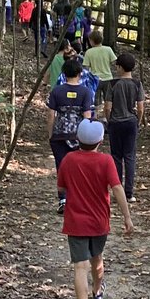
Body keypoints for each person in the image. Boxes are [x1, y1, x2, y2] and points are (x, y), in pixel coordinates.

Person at [59, 118, 134, 299]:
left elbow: (62, 187)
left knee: (79, 267)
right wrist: (127, 216)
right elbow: (118, 188)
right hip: (99, 221)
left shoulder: (68, 159)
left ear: (78, 139)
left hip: (75, 221)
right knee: (97, 258)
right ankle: (97, 292)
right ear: (101, 140)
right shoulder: (106, 161)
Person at [46, 57, 93, 213]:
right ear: (80, 73)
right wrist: (88, 137)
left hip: (59, 134)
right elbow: (87, 115)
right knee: (80, 167)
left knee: (62, 166)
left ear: (64, 73)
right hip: (79, 135)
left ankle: (63, 199)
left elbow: (51, 115)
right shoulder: (85, 92)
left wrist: (50, 133)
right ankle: (79, 198)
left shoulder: (56, 91)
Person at [103, 50, 144, 203]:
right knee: (130, 157)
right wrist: (138, 121)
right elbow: (140, 107)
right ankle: (129, 192)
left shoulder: (113, 84)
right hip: (131, 122)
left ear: (120, 67)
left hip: (115, 122)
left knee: (116, 157)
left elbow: (107, 106)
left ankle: (117, 190)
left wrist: (109, 120)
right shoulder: (137, 84)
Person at [83, 29, 117, 98]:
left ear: (91, 41)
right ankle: (107, 109)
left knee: (96, 101)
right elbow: (114, 63)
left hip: (95, 79)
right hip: (108, 78)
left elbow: (86, 67)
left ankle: (98, 108)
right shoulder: (108, 49)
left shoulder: (89, 52)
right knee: (108, 100)